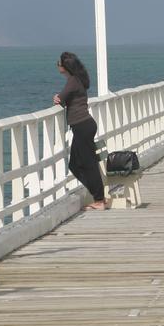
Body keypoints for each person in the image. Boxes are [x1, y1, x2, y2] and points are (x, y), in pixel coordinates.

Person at [53, 52, 106, 210]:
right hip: (84, 125)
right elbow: (69, 100)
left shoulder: (73, 81)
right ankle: (99, 196)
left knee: (88, 164)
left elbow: (61, 98)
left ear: (65, 66)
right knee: (75, 165)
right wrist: (61, 100)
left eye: (59, 62)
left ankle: (99, 200)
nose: (57, 65)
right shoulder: (76, 80)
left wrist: (57, 98)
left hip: (82, 126)